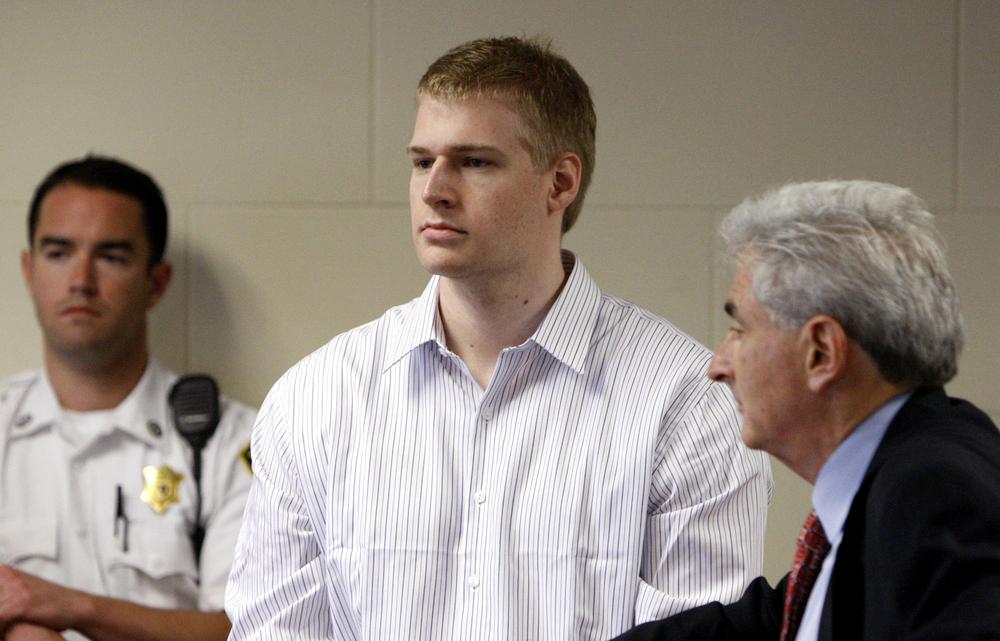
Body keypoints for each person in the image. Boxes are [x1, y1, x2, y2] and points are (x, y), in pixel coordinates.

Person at [225, 36, 771, 641]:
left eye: (474, 161)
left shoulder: (686, 402)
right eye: (420, 160)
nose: (435, 188)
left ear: (560, 183)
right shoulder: (315, 399)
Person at [613, 180, 1000, 641]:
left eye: (741, 330)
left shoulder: (930, 494)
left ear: (820, 352)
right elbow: (772, 622)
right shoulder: (919, 461)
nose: (718, 365)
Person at [0, 156, 257, 641]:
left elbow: (245, 631)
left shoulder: (231, 443)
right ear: (29, 270)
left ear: (156, 283)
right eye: (58, 253)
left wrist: (70, 608)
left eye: (111, 256)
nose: (80, 280)